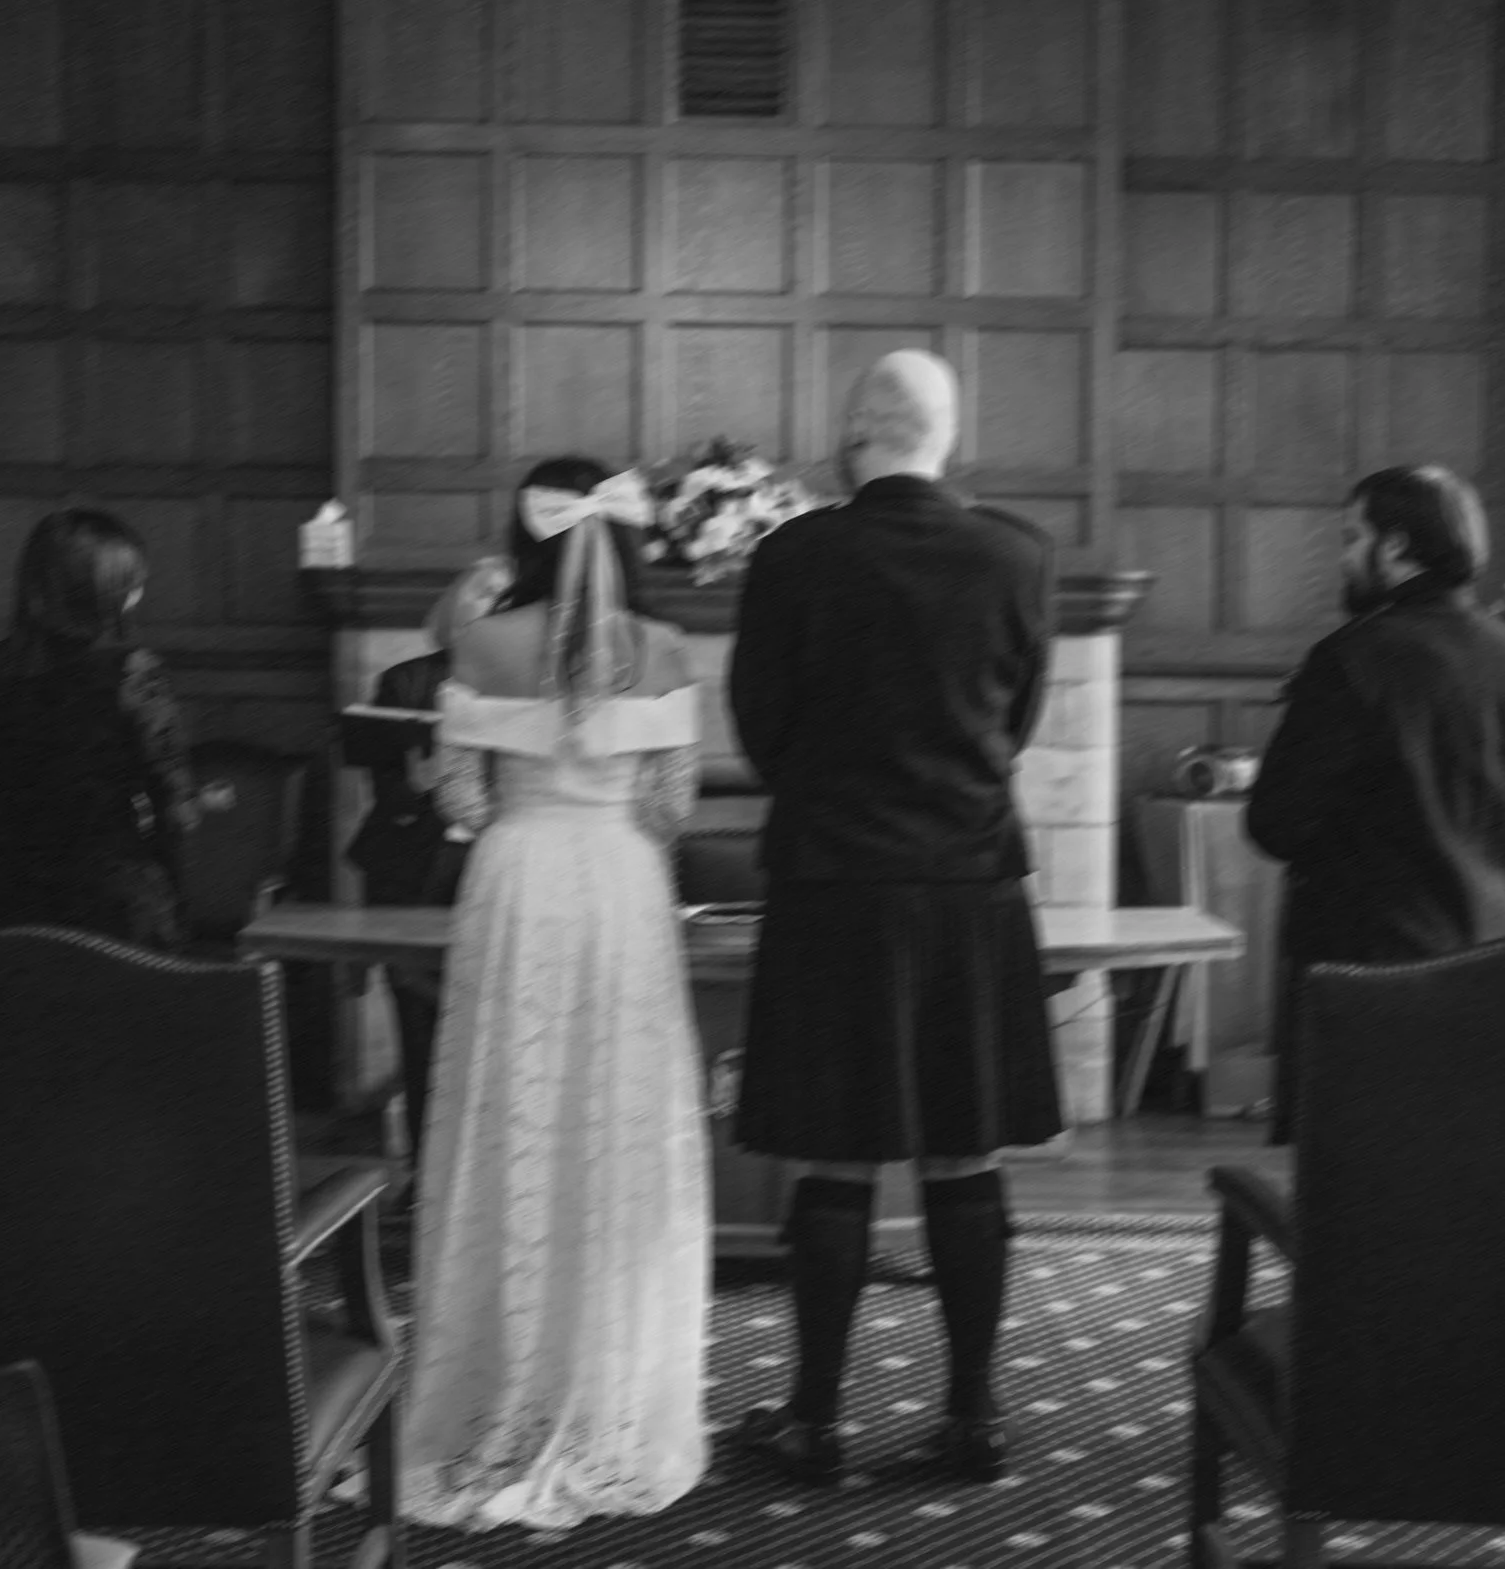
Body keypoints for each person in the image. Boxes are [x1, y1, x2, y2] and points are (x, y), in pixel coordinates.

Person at [729, 350, 1058, 1486]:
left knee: (837, 1152)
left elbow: (759, 724)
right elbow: (1017, 718)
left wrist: (832, 789)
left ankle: (815, 1415)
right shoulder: (1017, 555)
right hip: (969, 881)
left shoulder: (794, 554)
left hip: (834, 880)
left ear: (858, 428)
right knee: (963, 1150)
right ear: (945, 436)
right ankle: (973, 1413)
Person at [401, 456, 712, 1530]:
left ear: (523, 537)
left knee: (515, 1120)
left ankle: (498, 1378)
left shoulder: (480, 640)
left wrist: (518, 801)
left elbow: (457, 797)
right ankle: (608, 1383)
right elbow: (672, 807)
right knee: (614, 1130)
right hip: (620, 886)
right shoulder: (665, 648)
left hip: (518, 883)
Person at [1244, 464, 1505, 1144]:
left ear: (1398, 546)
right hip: (1490, 953)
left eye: (1353, 537)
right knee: (1457, 1169)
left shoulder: (1351, 659)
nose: (1343, 557)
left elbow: (1275, 821)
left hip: (1367, 969)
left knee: (1358, 1183)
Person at [0, 509, 197, 949]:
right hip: (112, 906)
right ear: (104, 592)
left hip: (10, 904)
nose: (138, 593)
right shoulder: (133, 671)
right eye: (130, 583)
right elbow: (174, 806)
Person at [341, 557, 511, 1155]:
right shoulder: (407, 681)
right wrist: (422, 780)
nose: (496, 603)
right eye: (485, 591)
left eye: (509, 596)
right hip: (414, 864)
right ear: (458, 601)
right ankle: (424, 1170)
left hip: (502, 870)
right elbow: (386, 791)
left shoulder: (533, 683)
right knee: (421, 1031)